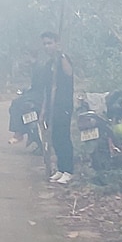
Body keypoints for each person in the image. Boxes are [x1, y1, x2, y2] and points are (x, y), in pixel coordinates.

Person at [32, 32, 77, 183]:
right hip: (51, 106)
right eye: (44, 43)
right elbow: (46, 89)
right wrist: (43, 110)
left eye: (50, 43)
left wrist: (61, 55)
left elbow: (69, 73)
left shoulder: (63, 60)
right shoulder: (48, 65)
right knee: (55, 137)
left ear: (57, 43)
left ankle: (68, 171)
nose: (47, 46)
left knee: (63, 137)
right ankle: (60, 169)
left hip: (63, 105)